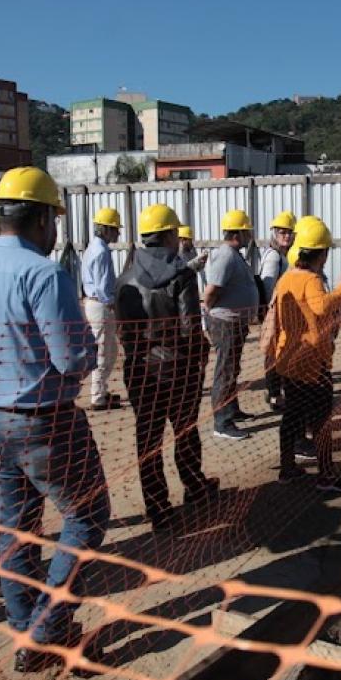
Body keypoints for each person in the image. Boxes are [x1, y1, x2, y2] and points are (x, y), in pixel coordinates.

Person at [0, 167, 110, 673]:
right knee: (85, 516)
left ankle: (25, 635)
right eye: (54, 218)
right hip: (43, 422)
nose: (56, 230)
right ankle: (48, 629)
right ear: (41, 219)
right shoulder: (44, 274)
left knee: (16, 530)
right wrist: (88, 350)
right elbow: (71, 360)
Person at [115, 204, 219, 529]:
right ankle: (194, 487)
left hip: (139, 373)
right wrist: (199, 355)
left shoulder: (125, 277)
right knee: (186, 433)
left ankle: (159, 511)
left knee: (148, 443)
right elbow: (190, 327)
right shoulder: (182, 274)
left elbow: (123, 331)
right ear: (170, 235)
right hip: (179, 371)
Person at [272, 216, 341, 491]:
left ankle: (287, 469)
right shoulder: (311, 279)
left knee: (292, 416)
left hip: (288, 361)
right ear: (322, 252)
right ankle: (326, 475)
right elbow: (321, 307)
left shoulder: (287, 277)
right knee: (320, 422)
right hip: (312, 364)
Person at [203, 209, 259, 440]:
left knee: (232, 368)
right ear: (238, 233)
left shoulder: (233, 254)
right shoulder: (226, 255)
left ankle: (231, 410)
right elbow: (212, 290)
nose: (249, 236)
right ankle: (222, 422)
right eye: (246, 231)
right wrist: (209, 312)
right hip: (225, 322)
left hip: (234, 322)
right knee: (225, 370)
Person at [80, 206, 122, 410]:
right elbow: (103, 285)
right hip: (101, 304)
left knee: (109, 351)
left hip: (95, 303)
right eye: (115, 229)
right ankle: (97, 396)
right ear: (105, 229)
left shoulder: (93, 248)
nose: (118, 233)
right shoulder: (101, 251)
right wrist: (113, 306)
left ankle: (102, 391)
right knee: (104, 351)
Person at [258, 210, 296, 411]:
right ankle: (274, 396)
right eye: (282, 232)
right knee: (274, 356)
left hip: (283, 314)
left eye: (289, 232)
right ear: (274, 233)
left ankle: (276, 392)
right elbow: (269, 288)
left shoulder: (283, 255)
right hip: (276, 314)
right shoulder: (274, 257)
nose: (286, 236)